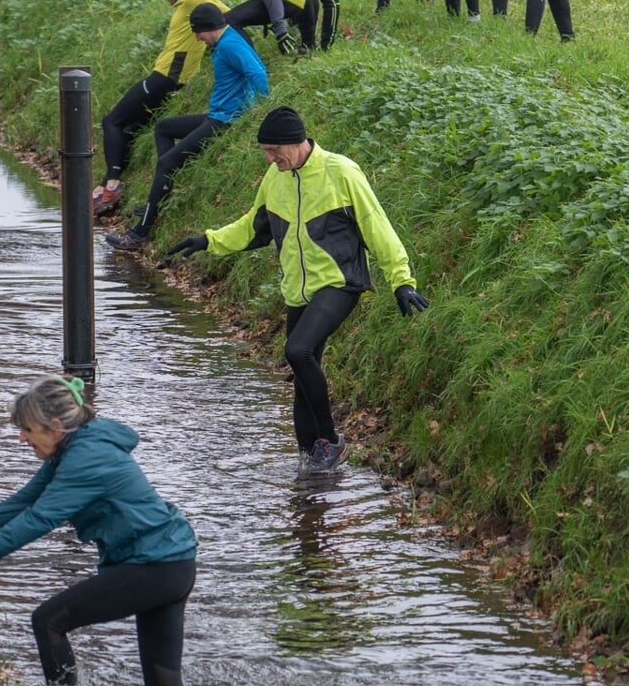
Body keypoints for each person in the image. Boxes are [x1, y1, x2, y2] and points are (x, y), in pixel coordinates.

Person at [160, 107, 429, 475]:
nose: (270, 159)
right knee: (302, 379)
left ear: (295, 142)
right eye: (265, 152)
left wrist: (401, 280)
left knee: (297, 350)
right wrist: (207, 240)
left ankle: (331, 442)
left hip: (339, 282)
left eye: (273, 150)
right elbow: (253, 227)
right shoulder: (276, 178)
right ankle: (312, 474)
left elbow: (376, 226)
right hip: (297, 290)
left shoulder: (341, 172)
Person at [0, 377, 199, 686]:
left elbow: (40, 518)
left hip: (154, 565)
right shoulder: (74, 448)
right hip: (173, 563)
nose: (22, 438)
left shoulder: (86, 459)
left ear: (55, 426)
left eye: (28, 429)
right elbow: (24, 501)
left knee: (48, 621)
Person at [106, 3, 268, 250]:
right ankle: (163, 190)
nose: (197, 38)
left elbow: (258, 73)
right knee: (163, 128)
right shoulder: (225, 40)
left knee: (166, 163)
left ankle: (139, 233)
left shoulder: (229, 45)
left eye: (198, 32)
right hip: (218, 114)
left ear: (209, 28)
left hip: (225, 121)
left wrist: (263, 111)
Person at [90, 0, 225, 217]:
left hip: (165, 77)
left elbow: (227, 14)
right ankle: (108, 184)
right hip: (169, 76)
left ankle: (111, 184)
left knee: (111, 121)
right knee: (131, 128)